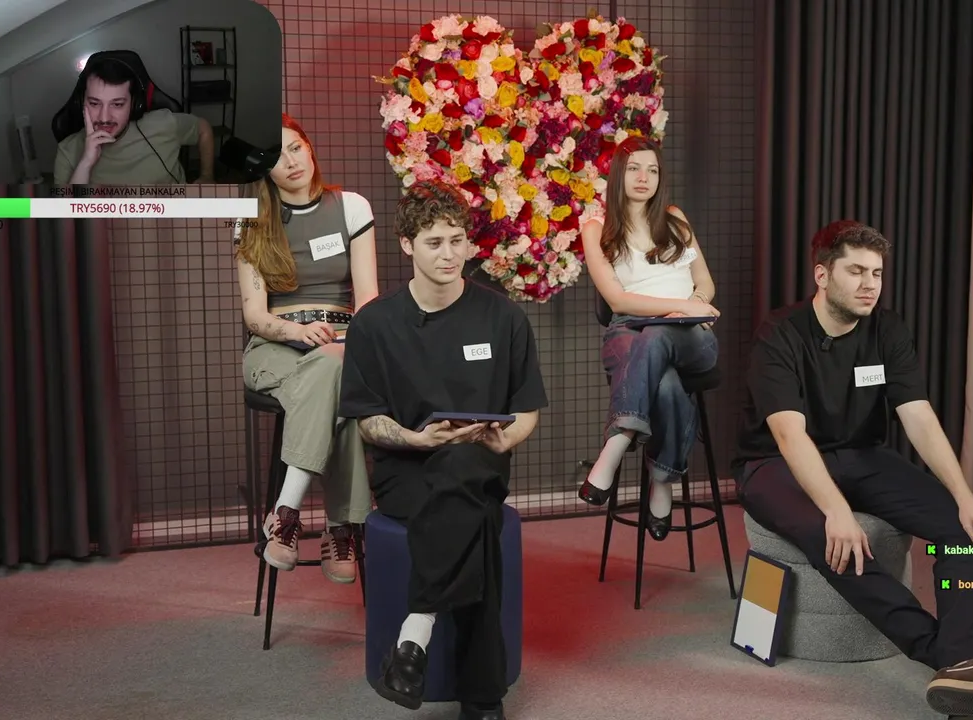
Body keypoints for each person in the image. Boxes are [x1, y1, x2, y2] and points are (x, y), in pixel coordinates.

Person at [733, 221, 973, 720]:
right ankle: (950, 658)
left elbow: (918, 416)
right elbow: (789, 435)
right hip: (773, 464)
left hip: (861, 455)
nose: (870, 284)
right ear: (822, 275)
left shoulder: (887, 329)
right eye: (856, 271)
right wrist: (836, 511)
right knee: (833, 537)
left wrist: (965, 496)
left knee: (964, 531)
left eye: (877, 273)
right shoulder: (780, 334)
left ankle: (968, 664)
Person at [338, 180, 547, 720]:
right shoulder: (374, 324)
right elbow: (367, 422)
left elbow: (527, 412)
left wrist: (505, 436)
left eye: (457, 240)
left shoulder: (503, 317)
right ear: (407, 244)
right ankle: (483, 700)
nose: (449, 254)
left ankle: (415, 634)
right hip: (406, 472)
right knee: (475, 522)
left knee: (466, 466)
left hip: (481, 462)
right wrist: (415, 438)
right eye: (434, 242)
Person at [234, 113, 378, 583]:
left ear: (309, 147)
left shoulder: (351, 207)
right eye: (276, 157)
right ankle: (343, 527)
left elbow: (368, 299)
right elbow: (255, 315)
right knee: (338, 384)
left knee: (334, 369)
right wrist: (296, 333)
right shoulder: (252, 220)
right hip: (275, 347)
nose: (291, 161)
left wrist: (346, 340)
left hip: (340, 341)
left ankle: (285, 515)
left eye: (295, 147)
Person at [575, 136, 721, 541]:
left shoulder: (674, 219)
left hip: (691, 335)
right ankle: (662, 478)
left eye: (652, 170)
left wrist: (692, 307)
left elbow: (705, 283)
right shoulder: (596, 228)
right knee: (667, 382)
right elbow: (617, 299)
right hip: (627, 331)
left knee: (658, 335)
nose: (644, 177)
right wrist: (674, 307)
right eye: (635, 169)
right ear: (618, 175)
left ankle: (618, 441)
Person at [54, 55, 214, 184]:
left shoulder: (163, 124)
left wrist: (207, 176)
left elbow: (203, 129)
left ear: (135, 104)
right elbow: (66, 214)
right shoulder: (68, 151)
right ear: (82, 103)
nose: (104, 118)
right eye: (95, 103)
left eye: (117, 104)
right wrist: (86, 162)